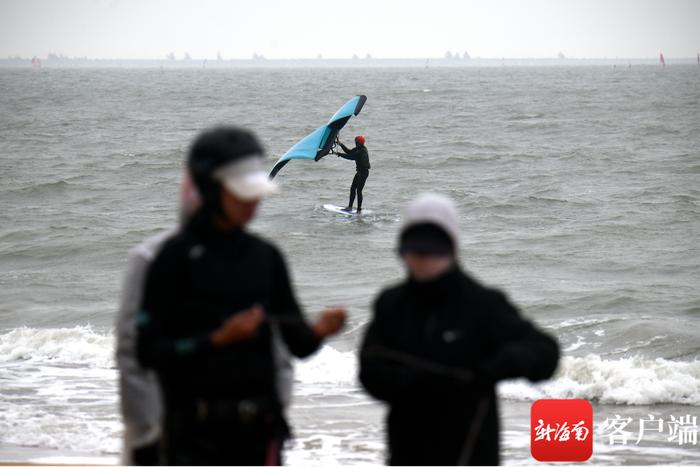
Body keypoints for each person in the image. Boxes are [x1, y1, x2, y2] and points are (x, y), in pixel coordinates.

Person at [136, 126, 347, 465]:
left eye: (255, 193)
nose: (253, 202)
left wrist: (321, 330)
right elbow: (146, 352)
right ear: (210, 188)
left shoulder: (266, 257)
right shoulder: (173, 259)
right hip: (193, 436)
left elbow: (299, 344)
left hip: (259, 435)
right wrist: (218, 339)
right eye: (241, 194)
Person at [359, 193, 560, 465]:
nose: (425, 259)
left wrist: (498, 367)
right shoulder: (391, 304)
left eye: (433, 250)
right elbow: (369, 371)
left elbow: (546, 353)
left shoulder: (483, 303)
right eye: (417, 250)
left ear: (452, 247)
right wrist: (419, 384)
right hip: (408, 449)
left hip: (471, 450)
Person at [116, 171, 199, 465]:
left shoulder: (255, 257)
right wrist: (147, 428)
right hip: (163, 411)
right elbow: (131, 350)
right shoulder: (150, 257)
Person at [336, 135, 370, 212]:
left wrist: (339, 154)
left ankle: (359, 210)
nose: (355, 143)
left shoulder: (362, 151)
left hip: (364, 173)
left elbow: (351, 157)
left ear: (358, 143)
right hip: (359, 172)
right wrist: (340, 144)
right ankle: (350, 207)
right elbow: (349, 152)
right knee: (353, 188)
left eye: (356, 142)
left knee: (359, 190)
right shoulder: (359, 148)